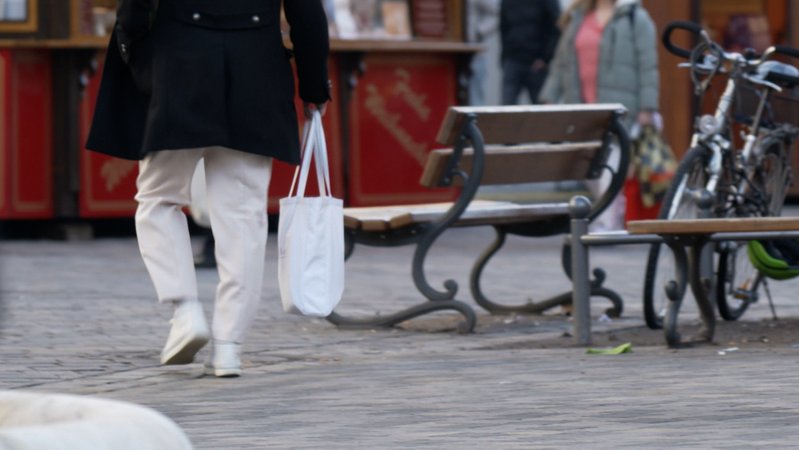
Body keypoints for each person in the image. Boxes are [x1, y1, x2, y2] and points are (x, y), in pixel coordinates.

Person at [85, 0, 331, 377]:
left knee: (158, 200)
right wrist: (314, 86)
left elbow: (134, 9)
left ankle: (185, 311)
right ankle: (229, 346)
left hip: (180, 68)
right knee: (243, 216)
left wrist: (133, 48)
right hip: (257, 75)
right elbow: (307, 13)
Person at [539, 0, 659, 231]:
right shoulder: (578, 18)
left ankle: (606, 222)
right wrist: (550, 97)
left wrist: (647, 107)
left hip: (622, 107)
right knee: (588, 167)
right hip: (583, 106)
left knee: (608, 166)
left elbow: (648, 65)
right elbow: (561, 63)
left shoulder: (635, 17)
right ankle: (613, 211)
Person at [499, 0, 561, 105]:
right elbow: (503, 27)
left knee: (541, 112)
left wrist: (545, 58)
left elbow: (556, 28)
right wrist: (504, 58)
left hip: (536, 63)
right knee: (506, 109)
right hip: (513, 60)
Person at [467, 0, 500, 106]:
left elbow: (497, 13)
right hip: (443, 54)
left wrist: (479, 32)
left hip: (474, 53)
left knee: (475, 98)